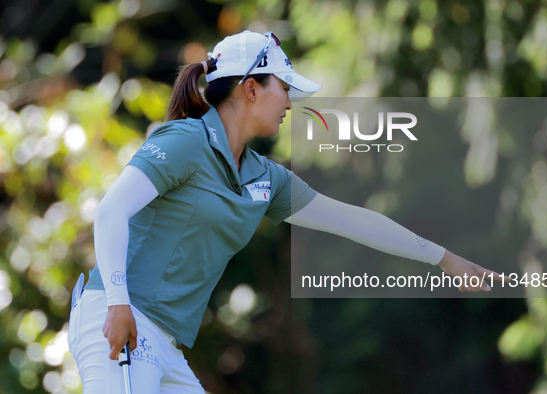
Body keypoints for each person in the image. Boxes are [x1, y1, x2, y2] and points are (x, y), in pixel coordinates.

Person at [67, 30, 507, 393]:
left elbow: (352, 220)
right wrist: (118, 303)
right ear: (252, 88)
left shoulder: (265, 177)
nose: (291, 104)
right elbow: (110, 213)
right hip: (119, 320)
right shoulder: (184, 141)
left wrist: (444, 258)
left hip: (163, 341)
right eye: (284, 88)